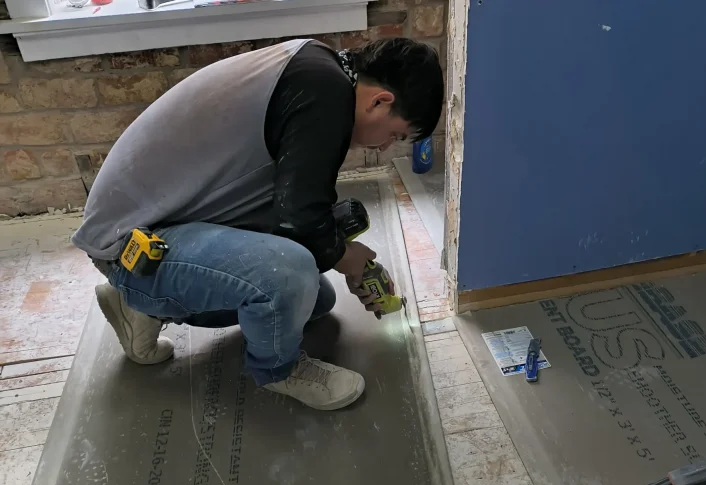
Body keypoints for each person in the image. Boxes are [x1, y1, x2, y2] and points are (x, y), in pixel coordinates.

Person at [71, 38, 444, 411]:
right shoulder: (326, 94)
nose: (383, 148)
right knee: (288, 274)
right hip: (131, 244)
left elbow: (296, 200)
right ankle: (279, 370)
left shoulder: (323, 72)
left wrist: (334, 245)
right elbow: (298, 218)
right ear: (379, 101)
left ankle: (139, 306)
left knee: (315, 298)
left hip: (166, 222)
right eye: (395, 135)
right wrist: (344, 255)